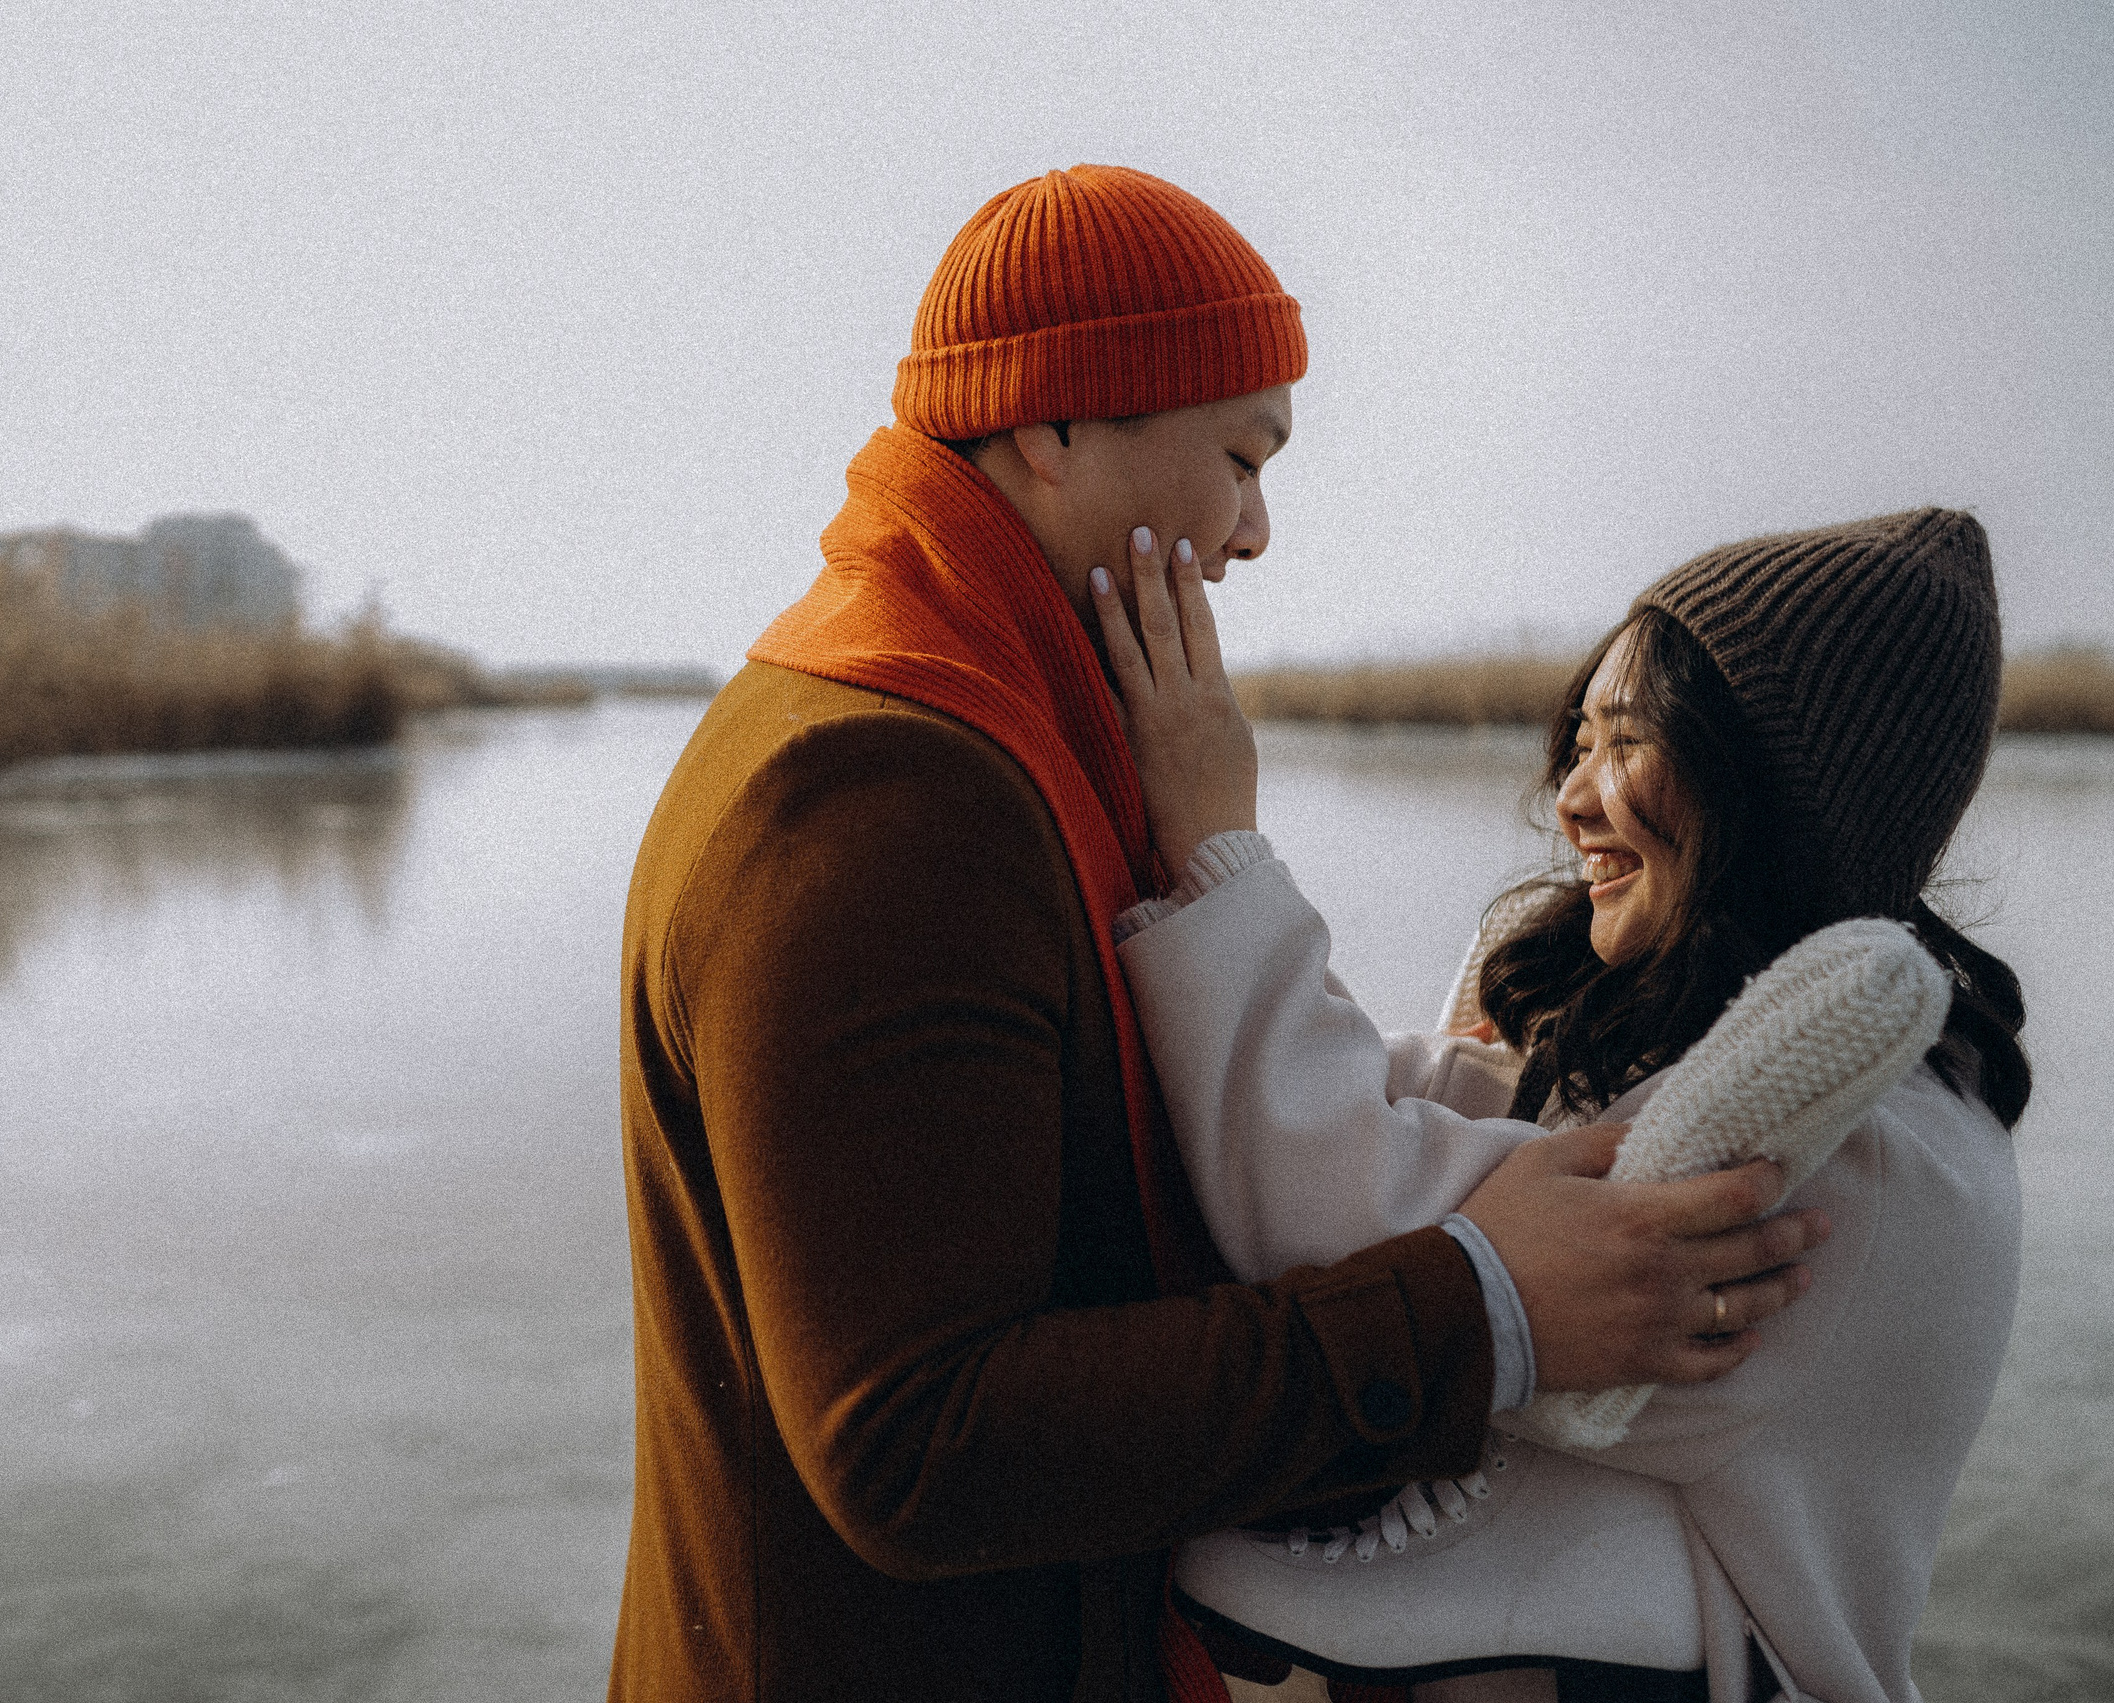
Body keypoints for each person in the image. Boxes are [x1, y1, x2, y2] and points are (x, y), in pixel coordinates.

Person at [611, 164, 1828, 1703]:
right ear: (1054, 425)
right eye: (1242, 458)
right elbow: (920, 1442)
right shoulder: (879, 790)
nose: (1256, 532)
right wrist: (1478, 1305)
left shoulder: (978, 720)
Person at [1092, 508, 2025, 1702]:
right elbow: (1425, 1116)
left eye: (1625, 742)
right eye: (1575, 741)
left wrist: (1215, 844)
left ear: (1778, 789)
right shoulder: (1708, 1036)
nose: (1571, 798)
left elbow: (1346, 1217)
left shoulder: (1863, 1138)